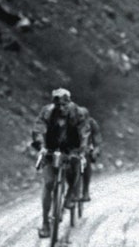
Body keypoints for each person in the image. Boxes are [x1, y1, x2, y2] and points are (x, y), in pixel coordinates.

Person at [31, 88, 90, 238]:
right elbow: (38, 129)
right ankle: (45, 223)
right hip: (51, 149)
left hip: (71, 149)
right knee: (49, 183)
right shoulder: (47, 112)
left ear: (69, 103)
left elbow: (84, 131)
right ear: (54, 104)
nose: (62, 108)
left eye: (64, 105)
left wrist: (82, 150)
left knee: (75, 170)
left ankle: (70, 194)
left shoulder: (77, 112)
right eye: (58, 105)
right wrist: (41, 146)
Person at [80, 115, 102, 202]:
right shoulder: (66, 121)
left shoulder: (91, 122)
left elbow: (97, 138)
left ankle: (85, 190)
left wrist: (96, 149)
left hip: (85, 148)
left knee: (87, 161)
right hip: (71, 147)